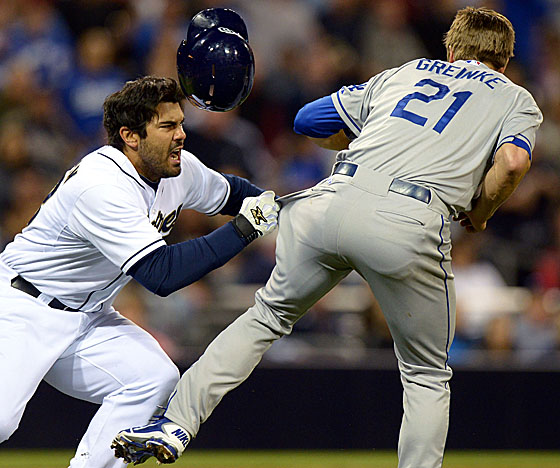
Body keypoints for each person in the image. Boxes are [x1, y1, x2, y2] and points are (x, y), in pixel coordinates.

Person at [112, 7, 543, 468]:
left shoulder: (406, 72)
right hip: (409, 217)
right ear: (505, 59)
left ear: (452, 49)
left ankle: (176, 422)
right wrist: (480, 211)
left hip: (329, 199)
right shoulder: (516, 99)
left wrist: (369, 139)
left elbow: (308, 120)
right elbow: (513, 164)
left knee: (265, 317)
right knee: (425, 376)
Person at [0, 76, 279, 468]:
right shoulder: (101, 185)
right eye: (168, 126)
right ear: (130, 136)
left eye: (180, 124)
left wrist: (291, 205)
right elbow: (162, 275)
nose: (181, 135)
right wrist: (245, 229)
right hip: (19, 308)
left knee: (153, 377)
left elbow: (235, 193)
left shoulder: (179, 170)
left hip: (87, 317)